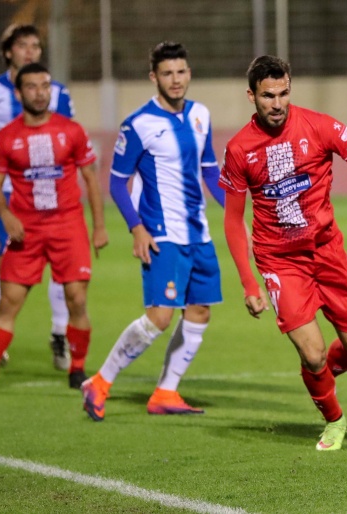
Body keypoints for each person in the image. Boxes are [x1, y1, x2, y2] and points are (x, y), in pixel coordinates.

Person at [220, 56, 347, 451]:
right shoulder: (239, 149)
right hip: (280, 261)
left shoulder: (319, 126)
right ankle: (334, 418)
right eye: (267, 96)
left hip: (328, 253)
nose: (276, 103)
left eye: (283, 93)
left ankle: (318, 376)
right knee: (311, 351)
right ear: (251, 96)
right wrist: (249, 282)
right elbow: (232, 220)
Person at [80, 42, 225, 421]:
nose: (175, 80)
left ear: (189, 73)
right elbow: (116, 182)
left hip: (200, 234)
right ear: (153, 78)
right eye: (167, 73)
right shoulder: (138, 123)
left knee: (198, 311)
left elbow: (210, 170)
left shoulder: (200, 115)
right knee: (160, 316)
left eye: (181, 72)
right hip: (163, 234)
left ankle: (165, 392)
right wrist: (137, 228)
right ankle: (99, 382)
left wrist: (236, 208)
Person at [0, 62, 108, 394]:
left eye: (45, 86)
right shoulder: (6, 137)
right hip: (26, 229)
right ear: (18, 92)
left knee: (77, 299)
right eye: (32, 87)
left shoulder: (71, 130)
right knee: (8, 301)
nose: (40, 93)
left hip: (68, 226)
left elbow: (91, 179)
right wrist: (6, 216)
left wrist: (98, 226)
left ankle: (77, 370)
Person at [0, 24, 75, 372]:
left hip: (50, 196)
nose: (30, 52)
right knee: (3, 265)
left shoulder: (58, 93)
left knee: (61, 268)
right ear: (9, 51)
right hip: (9, 196)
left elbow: (70, 140)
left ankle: (59, 335)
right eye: (23, 46)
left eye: (35, 46)